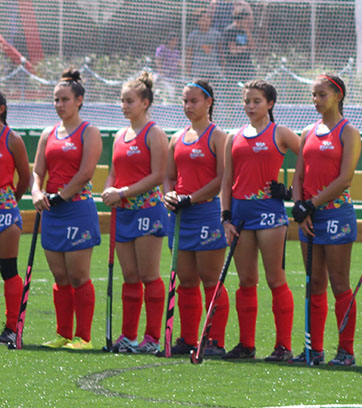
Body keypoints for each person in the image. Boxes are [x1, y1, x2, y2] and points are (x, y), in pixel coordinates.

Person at [220, 80, 302, 361]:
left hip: (270, 213)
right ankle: (246, 345)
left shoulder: (280, 133)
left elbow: (309, 157)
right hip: (240, 216)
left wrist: (291, 191)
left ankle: (283, 347)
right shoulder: (234, 136)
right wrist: (225, 217)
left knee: (274, 279)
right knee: (246, 280)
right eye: (247, 101)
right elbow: (227, 180)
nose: (251, 106)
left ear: (270, 104)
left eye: (256, 101)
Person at [290, 74, 362, 367]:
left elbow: (345, 179)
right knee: (314, 283)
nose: (316, 100)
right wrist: (299, 206)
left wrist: (311, 204)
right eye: (314, 95)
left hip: (336, 215)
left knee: (339, 283)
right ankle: (313, 350)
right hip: (309, 216)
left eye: (322, 95)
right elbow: (298, 176)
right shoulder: (308, 131)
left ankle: (346, 352)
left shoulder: (348, 132)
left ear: (338, 96)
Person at [31, 70, 102, 349]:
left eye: (65, 99)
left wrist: (61, 196)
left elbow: (86, 173)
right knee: (60, 276)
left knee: (78, 276)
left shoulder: (90, 132)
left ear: (79, 100)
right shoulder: (48, 133)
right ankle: (63, 334)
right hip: (51, 210)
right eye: (56, 100)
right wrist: (37, 192)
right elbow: (38, 171)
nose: (59, 104)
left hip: (76, 209)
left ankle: (83, 337)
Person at [101, 71, 170, 355]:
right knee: (129, 276)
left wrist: (123, 193)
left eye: (129, 101)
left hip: (148, 211)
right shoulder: (120, 134)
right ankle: (128, 336)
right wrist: (108, 191)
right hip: (124, 212)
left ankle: (153, 337)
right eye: (122, 101)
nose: (124, 106)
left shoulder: (155, 133)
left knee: (148, 275)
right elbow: (114, 172)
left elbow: (158, 175)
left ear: (145, 102)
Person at [163, 80, 229, 358]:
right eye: (185, 101)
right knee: (186, 280)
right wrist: (169, 196)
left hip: (207, 213)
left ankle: (214, 340)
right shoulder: (177, 138)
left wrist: (192, 197)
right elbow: (168, 176)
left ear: (208, 102)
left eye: (194, 101)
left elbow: (222, 178)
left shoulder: (217, 136)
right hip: (181, 216)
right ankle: (188, 338)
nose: (188, 106)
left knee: (210, 278)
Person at [0, 91, 31, 347]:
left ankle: (11, 328)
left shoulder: (12, 139)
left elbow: (25, 178)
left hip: (5, 210)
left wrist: (9, 201)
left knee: (8, 269)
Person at [221, 8, 255, 90]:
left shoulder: (247, 30)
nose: (247, 21)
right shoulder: (230, 30)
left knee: (251, 87)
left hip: (246, 63)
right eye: (245, 19)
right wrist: (244, 48)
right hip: (233, 65)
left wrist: (247, 31)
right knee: (233, 89)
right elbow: (233, 50)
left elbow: (252, 47)